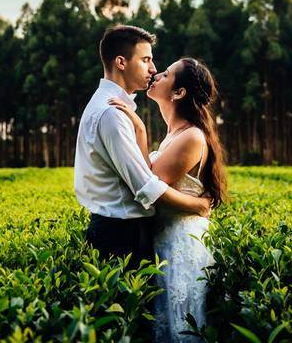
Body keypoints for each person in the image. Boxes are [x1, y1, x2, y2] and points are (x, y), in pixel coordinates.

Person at [109, 57, 228, 342]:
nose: (156, 75)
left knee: (181, 326)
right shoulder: (175, 134)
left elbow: (150, 185)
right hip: (167, 237)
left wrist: (138, 129)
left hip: (181, 242)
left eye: (165, 74)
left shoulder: (191, 137)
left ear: (178, 93)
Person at [74, 25, 212, 270]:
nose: (153, 68)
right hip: (121, 235)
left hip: (122, 230)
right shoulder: (111, 114)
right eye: (146, 59)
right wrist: (199, 205)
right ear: (121, 62)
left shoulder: (110, 108)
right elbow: (146, 186)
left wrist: (140, 131)